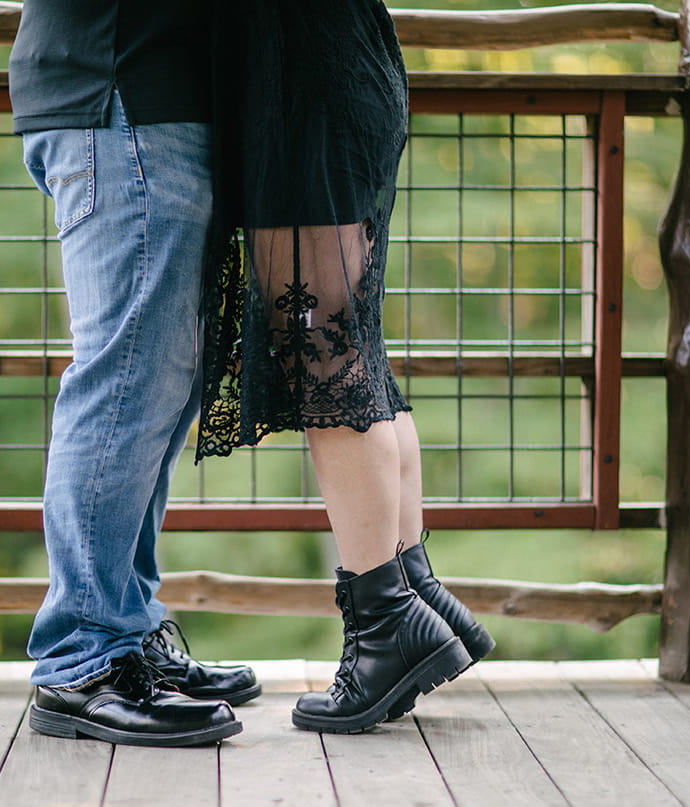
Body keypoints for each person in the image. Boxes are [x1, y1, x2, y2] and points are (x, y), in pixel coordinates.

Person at [199, 0, 495, 733]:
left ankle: (387, 621)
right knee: (347, 350)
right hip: (332, 66)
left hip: (303, 77)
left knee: (322, 360)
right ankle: (408, 590)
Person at [8, 0, 259, 747]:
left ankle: (123, 631)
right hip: (121, 94)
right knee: (124, 384)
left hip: (141, 97)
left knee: (156, 390)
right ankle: (84, 658)